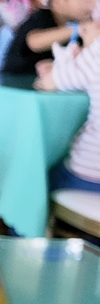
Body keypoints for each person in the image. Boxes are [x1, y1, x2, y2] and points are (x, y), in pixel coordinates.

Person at [4, 0, 100, 75]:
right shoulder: (43, 17)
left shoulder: (88, 23)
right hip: (17, 82)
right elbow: (34, 42)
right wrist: (78, 29)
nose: (93, 2)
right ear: (56, 0)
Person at [36, 21, 100, 191]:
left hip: (90, 173)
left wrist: (89, 46)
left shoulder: (96, 51)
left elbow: (47, 83)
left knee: (37, 178)